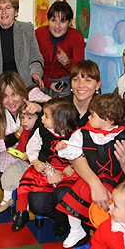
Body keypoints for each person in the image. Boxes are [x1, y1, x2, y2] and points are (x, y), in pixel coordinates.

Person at [25, 60, 102, 236]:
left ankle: (77, 224)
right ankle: (62, 218)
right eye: (76, 80)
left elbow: (101, 151)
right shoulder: (57, 106)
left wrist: (74, 167)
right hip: (50, 168)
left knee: (63, 194)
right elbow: (37, 141)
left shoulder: (102, 112)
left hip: (84, 173)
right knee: (37, 203)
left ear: (98, 84)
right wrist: (49, 169)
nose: (81, 85)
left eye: (88, 80)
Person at [56, 92, 125, 248]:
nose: (88, 118)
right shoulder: (82, 133)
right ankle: (76, 230)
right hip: (92, 178)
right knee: (74, 200)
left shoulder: (124, 135)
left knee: (115, 208)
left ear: (108, 120)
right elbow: (72, 150)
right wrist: (63, 147)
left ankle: (114, 236)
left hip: (116, 180)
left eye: (93, 115)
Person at [13, 97, 80, 232]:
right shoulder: (41, 130)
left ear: (59, 120)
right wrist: (35, 161)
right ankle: (21, 212)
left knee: (66, 195)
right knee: (25, 185)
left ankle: (69, 223)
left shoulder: (75, 134)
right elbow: (31, 147)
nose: (41, 118)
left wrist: (73, 167)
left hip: (66, 171)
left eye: (46, 116)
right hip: (45, 167)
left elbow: (81, 152)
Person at [35, 0, 85, 97]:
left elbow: (79, 70)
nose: (57, 26)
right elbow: (32, 63)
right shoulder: (38, 34)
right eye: (53, 21)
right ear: (48, 20)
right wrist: (48, 84)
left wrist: (67, 62)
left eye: (62, 21)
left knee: (62, 107)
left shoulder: (76, 36)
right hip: (41, 77)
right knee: (35, 104)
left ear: (70, 22)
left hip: (64, 78)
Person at [0, 106, 39, 213]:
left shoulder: (39, 132)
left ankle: (24, 208)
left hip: (35, 164)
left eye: (29, 118)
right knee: (10, 171)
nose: (24, 122)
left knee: (26, 181)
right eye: (22, 118)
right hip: (23, 161)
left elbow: (40, 150)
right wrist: (17, 153)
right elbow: (21, 145)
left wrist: (30, 156)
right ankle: (7, 198)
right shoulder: (24, 131)